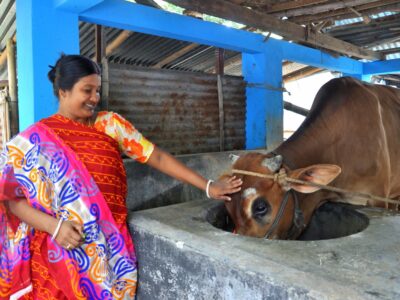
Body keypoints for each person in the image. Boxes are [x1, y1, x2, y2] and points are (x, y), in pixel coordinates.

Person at [0, 54, 242, 299]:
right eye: (87, 90)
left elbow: (155, 157)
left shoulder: (110, 125)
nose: (95, 98)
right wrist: (55, 226)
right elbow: (11, 199)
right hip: (57, 254)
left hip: (111, 253)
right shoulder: (35, 140)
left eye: (97, 90)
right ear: (63, 91)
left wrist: (209, 186)